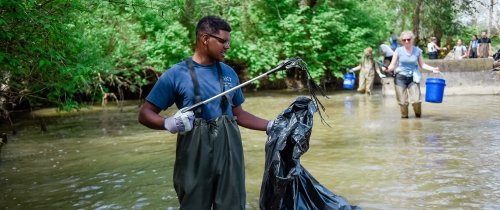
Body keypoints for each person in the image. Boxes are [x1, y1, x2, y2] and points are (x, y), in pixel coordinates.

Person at [138, 15, 272, 210]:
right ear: (204, 38)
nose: (227, 46)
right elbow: (145, 114)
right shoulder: (176, 74)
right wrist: (167, 123)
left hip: (229, 152)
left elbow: (239, 114)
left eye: (229, 42)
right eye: (222, 41)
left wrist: (270, 125)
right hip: (194, 154)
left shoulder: (229, 74)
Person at [387, 31, 441, 118]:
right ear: (401, 41)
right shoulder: (398, 50)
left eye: (408, 39)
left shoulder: (417, 51)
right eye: (404, 40)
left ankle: (418, 116)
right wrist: (387, 69)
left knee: (416, 101)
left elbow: (422, 64)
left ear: (412, 39)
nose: (406, 42)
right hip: (400, 78)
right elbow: (392, 65)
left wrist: (433, 69)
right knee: (403, 103)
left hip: (413, 77)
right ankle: (404, 120)